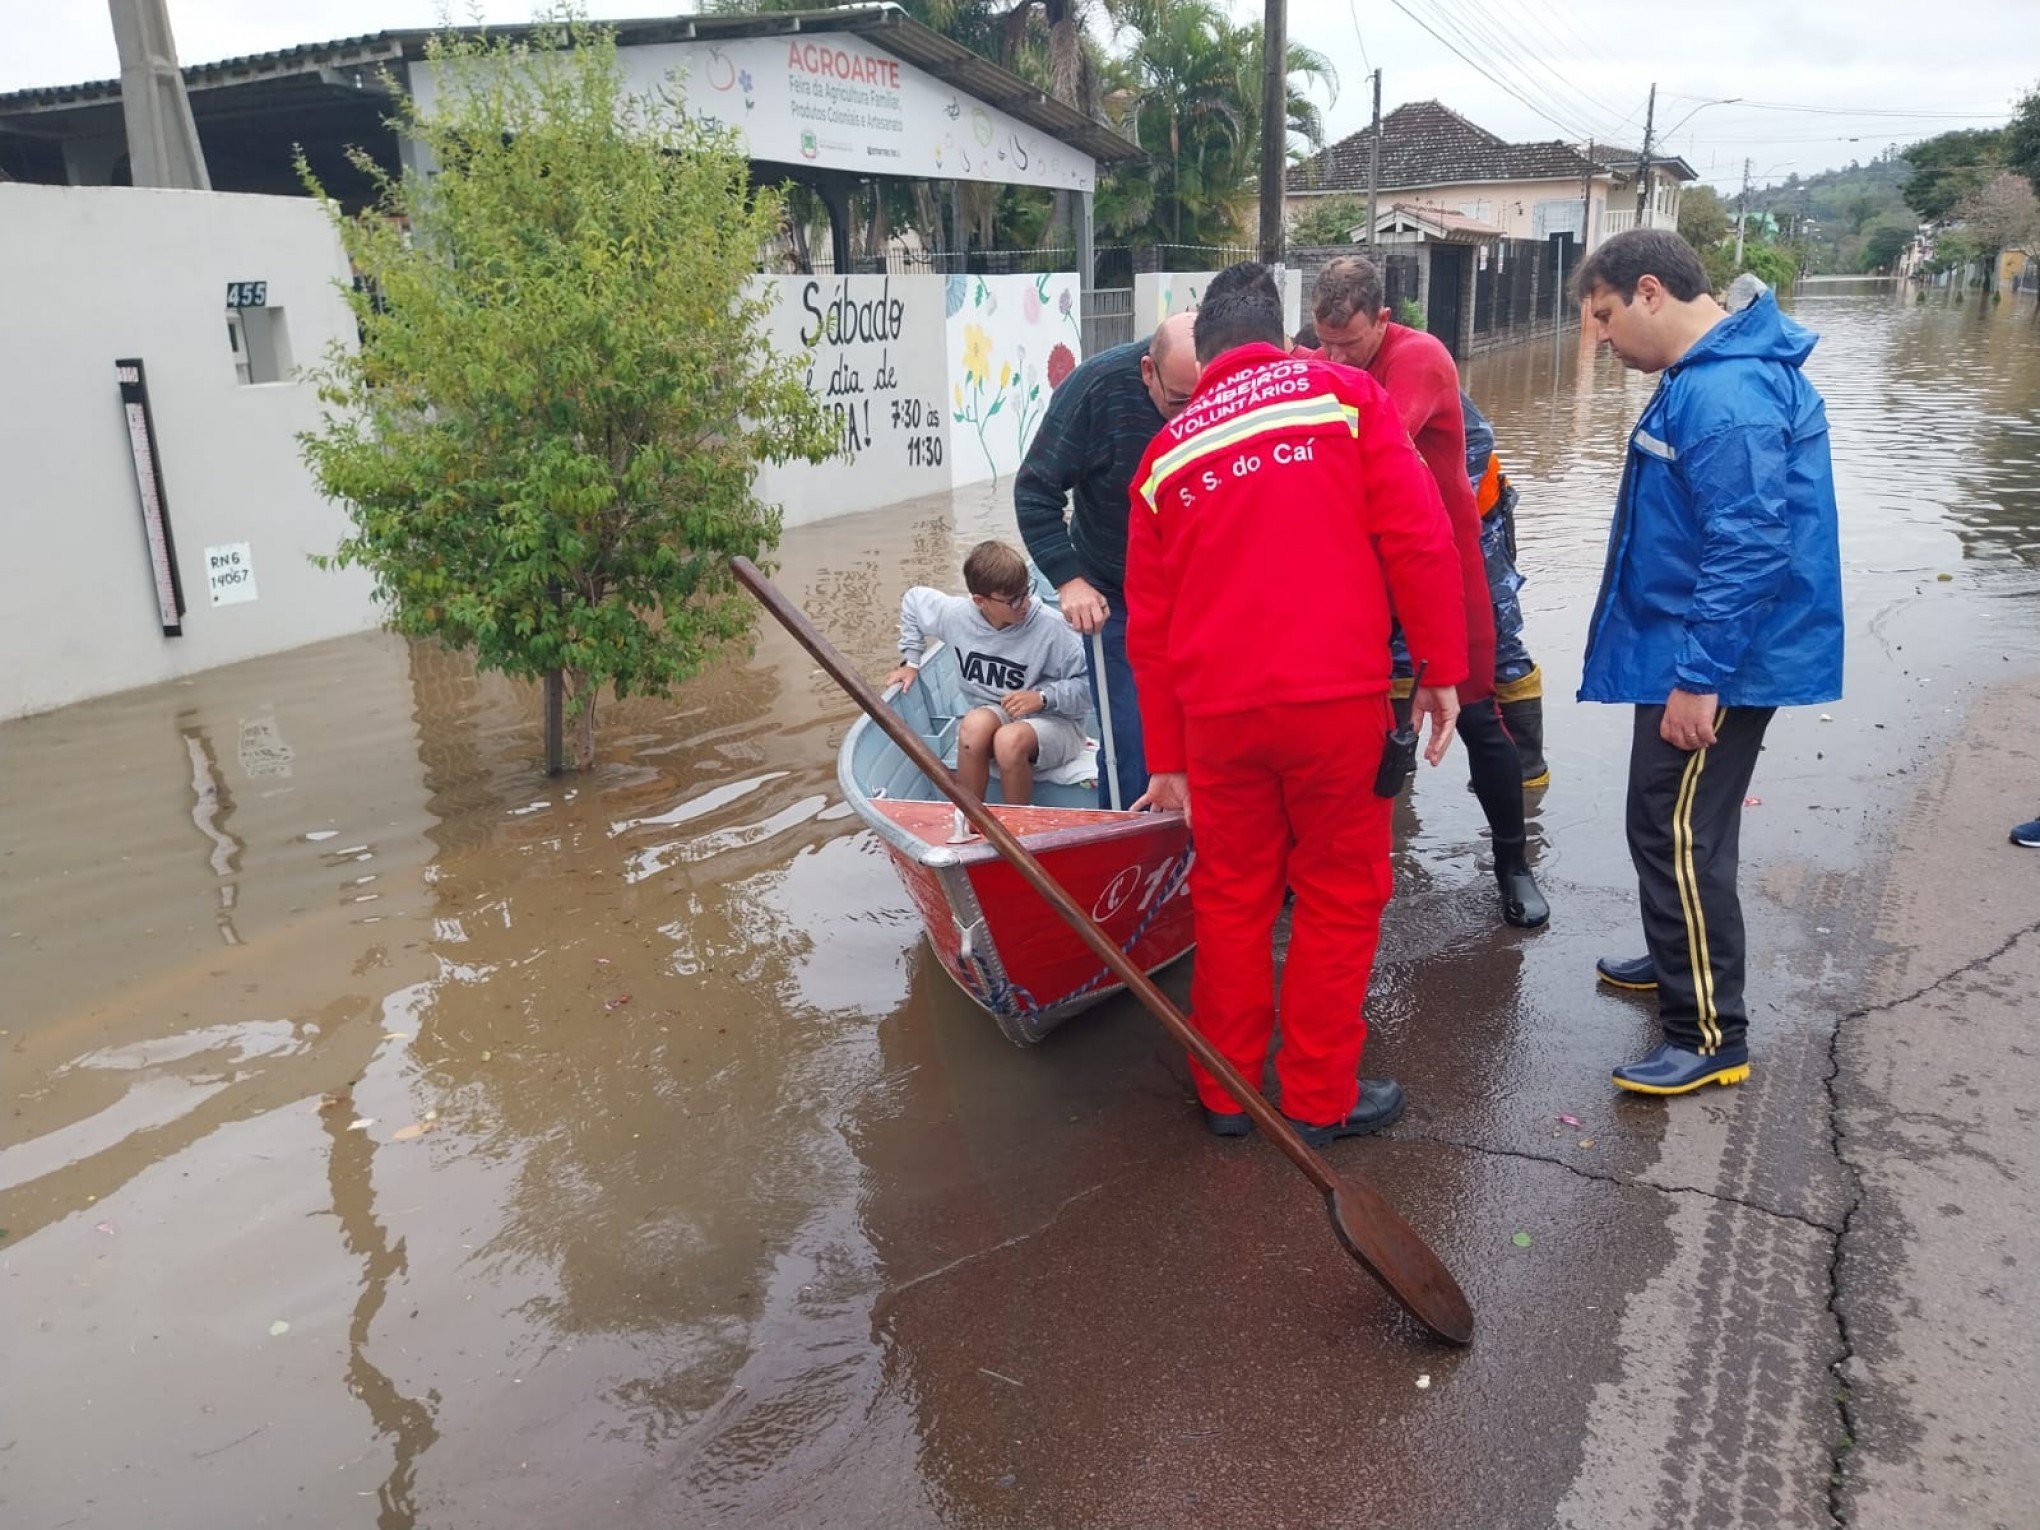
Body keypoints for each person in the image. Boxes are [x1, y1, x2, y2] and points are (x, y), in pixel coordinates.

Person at [1123, 262, 1469, 1145]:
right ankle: (1318, 1098)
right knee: (1338, 895)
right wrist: (1438, 668)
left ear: (1202, 357)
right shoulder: (1345, 398)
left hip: (1218, 720)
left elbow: (1149, 630)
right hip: (1334, 703)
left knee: (1232, 899)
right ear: (1281, 335)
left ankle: (1226, 1092)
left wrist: (1166, 761)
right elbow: (1418, 535)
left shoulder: (1165, 457)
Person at [1574, 228, 1842, 1095]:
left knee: (1673, 827)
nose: (1602, 338)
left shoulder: (1725, 392)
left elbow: (1749, 547)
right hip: (1699, 647)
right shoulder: (1709, 375)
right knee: (1683, 823)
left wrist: (1699, 679)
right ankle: (1672, 952)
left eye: (1607, 316)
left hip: (1713, 658)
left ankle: (1708, 1033)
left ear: (1651, 291)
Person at [1311, 256, 1550, 927]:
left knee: (1477, 714)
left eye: (1349, 344)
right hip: (1363, 564)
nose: (1334, 357)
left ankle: (1513, 862)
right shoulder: (1321, 356)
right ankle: (1348, 863)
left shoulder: (1421, 358)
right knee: (1356, 716)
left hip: (1446, 560)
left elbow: (1364, 444)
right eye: (1322, 342)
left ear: (1382, 322)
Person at [1015, 313, 1200, 810]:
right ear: (1147, 371)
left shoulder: (1234, 385)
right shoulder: (1095, 389)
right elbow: (1036, 490)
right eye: (1179, 402)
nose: (1190, 419)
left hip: (1201, 593)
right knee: (1131, 737)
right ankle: (1125, 839)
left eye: (1202, 401)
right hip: (1114, 592)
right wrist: (1069, 581)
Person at [888, 540, 1090, 809]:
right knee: (972, 727)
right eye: (1013, 600)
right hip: (997, 711)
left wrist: (1042, 697)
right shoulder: (955, 615)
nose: (1025, 604)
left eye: (1026, 592)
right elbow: (914, 600)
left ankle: (1015, 829)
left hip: (1057, 724)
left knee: (1009, 741)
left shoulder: (1053, 629)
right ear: (980, 601)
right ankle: (969, 819)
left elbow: (1091, 688)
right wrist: (910, 661)